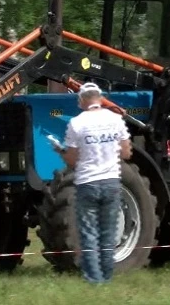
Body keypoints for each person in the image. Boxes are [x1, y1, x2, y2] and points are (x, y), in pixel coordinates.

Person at [52, 82, 132, 284]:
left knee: (88, 233)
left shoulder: (76, 123)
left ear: (82, 101)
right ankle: (106, 277)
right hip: (112, 182)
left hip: (87, 182)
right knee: (108, 232)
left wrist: (60, 152)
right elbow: (126, 152)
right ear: (100, 97)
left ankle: (95, 280)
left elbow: (72, 159)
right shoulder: (116, 120)